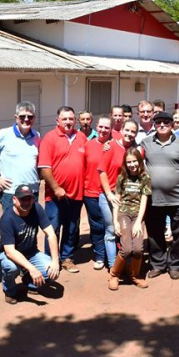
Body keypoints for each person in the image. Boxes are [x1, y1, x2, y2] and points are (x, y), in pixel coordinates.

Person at [140, 112, 179, 280]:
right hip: (153, 198)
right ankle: (158, 264)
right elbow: (131, 156)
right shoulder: (146, 142)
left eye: (166, 122)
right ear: (154, 125)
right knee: (154, 232)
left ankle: (175, 264)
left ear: (172, 124)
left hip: (178, 197)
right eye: (158, 122)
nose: (162, 125)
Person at [38, 106, 87, 274]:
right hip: (55, 196)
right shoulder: (49, 138)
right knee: (53, 228)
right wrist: (56, 188)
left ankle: (67, 258)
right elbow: (45, 168)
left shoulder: (81, 137)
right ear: (57, 121)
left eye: (71, 119)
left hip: (76, 193)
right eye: (64, 119)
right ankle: (51, 259)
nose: (68, 122)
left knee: (71, 228)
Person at [0, 185, 61, 304]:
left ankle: (29, 281)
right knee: (11, 267)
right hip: (10, 255)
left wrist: (55, 262)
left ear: (33, 199)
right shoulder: (7, 218)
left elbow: (51, 234)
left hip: (31, 253)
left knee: (52, 272)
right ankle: (9, 291)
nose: (26, 203)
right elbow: (10, 251)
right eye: (22, 199)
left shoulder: (36, 209)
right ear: (14, 199)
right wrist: (32, 269)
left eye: (28, 199)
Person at [99, 119, 140, 272]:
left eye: (133, 131)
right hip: (110, 195)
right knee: (111, 230)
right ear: (121, 130)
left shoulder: (136, 150)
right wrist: (109, 194)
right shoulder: (111, 146)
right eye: (127, 130)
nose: (129, 133)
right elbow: (102, 171)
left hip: (129, 196)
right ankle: (112, 266)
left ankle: (125, 263)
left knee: (126, 231)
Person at [109, 147, 151, 290]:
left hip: (137, 216)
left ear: (139, 161)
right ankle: (114, 275)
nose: (132, 165)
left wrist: (139, 222)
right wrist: (115, 221)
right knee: (126, 249)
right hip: (123, 214)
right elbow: (117, 201)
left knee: (138, 249)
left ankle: (134, 275)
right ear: (125, 164)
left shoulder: (145, 178)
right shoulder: (121, 178)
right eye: (129, 162)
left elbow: (144, 201)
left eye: (134, 161)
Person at [0, 101, 41, 210]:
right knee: (11, 221)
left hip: (32, 192)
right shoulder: (4, 134)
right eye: (22, 116)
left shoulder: (36, 135)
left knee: (32, 221)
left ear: (34, 118)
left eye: (30, 117)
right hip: (11, 193)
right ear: (16, 118)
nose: (26, 119)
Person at [83, 115, 113, 270]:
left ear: (111, 129)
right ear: (96, 127)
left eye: (107, 127)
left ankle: (112, 255)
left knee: (111, 226)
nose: (103, 130)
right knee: (96, 226)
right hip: (91, 192)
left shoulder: (114, 145)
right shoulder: (88, 145)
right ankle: (100, 255)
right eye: (101, 127)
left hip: (110, 193)